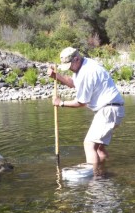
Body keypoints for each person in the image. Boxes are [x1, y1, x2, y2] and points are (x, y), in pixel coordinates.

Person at [47, 47, 125, 176]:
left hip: (108, 110)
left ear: (76, 59)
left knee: (89, 144)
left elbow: (81, 103)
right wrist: (56, 76)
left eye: (69, 65)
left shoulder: (87, 72)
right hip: (114, 109)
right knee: (99, 148)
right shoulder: (85, 64)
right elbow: (73, 83)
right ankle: (103, 173)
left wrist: (60, 103)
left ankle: (95, 180)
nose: (70, 68)